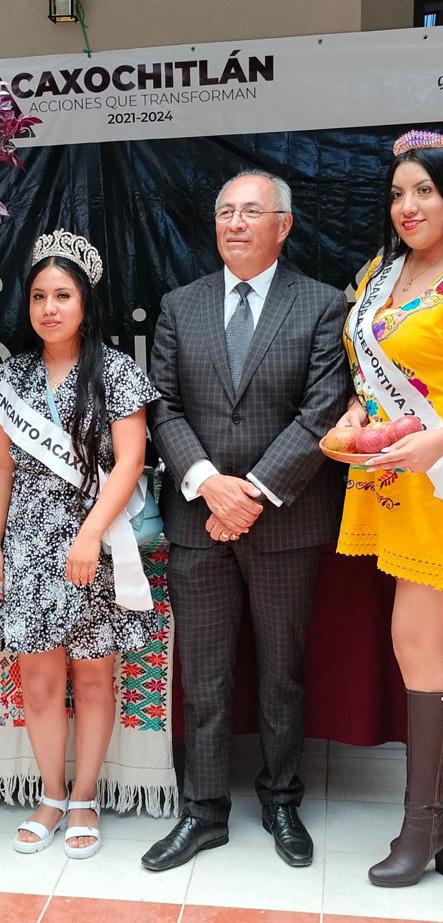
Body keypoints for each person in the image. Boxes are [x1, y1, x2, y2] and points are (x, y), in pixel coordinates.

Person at [144, 169, 349, 871]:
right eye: (226, 211)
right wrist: (208, 484)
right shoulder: (180, 304)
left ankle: (282, 799)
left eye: (251, 211)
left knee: (282, 672)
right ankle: (203, 811)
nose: (235, 222)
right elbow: (162, 405)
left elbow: (322, 411)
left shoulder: (321, 304)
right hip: (198, 519)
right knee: (203, 675)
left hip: (284, 521)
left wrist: (251, 494)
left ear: (283, 226)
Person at [336, 129, 443, 887]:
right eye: (397, 193)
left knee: (414, 641)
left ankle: (423, 827)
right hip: (392, 477)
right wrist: (359, 414)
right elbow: (369, 373)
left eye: (425, 190)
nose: (408, 206)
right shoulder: (382, 274)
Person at [0, 230, 160, 859]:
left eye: (62, 295)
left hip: (98, 544)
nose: (49, 308)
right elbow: (4, 472)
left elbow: (130, 461)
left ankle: (86, 796)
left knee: (93, 679)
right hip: (29, 544)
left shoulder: (115, 371)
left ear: (86, 302)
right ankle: (50, 795)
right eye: (39, 295)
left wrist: (90, 533)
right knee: (39, 682)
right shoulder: (11, 376)